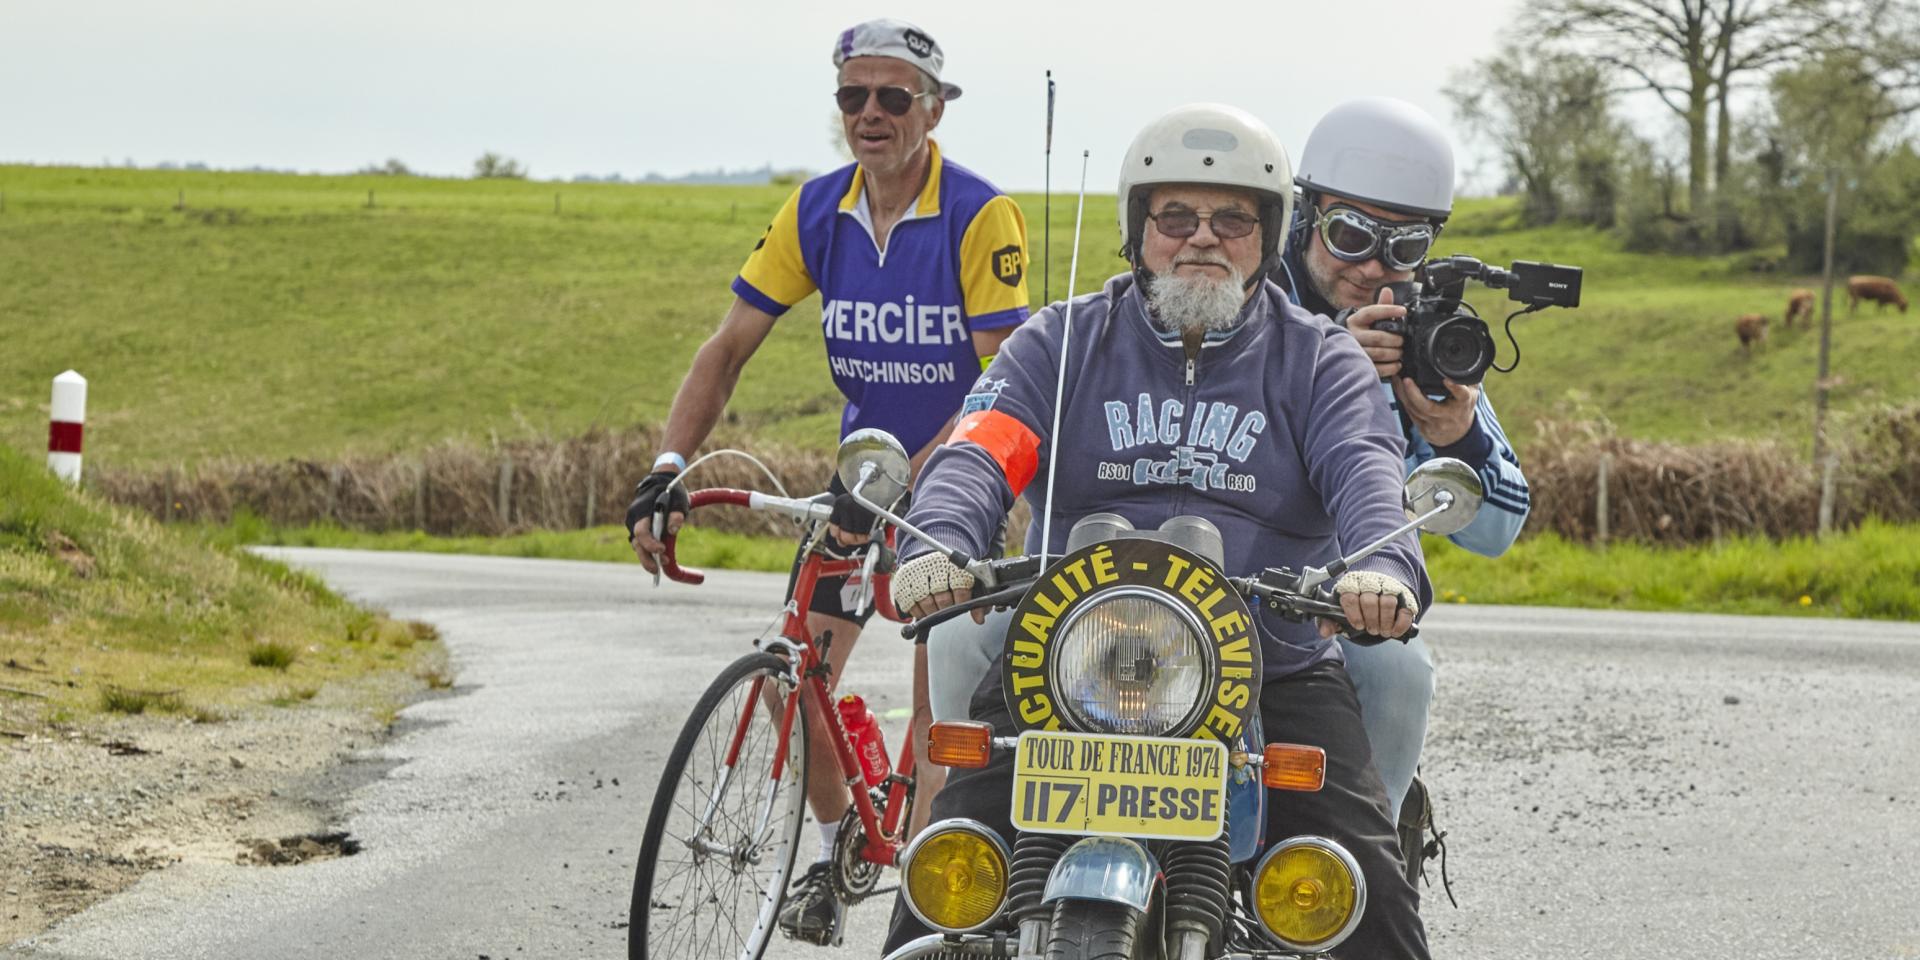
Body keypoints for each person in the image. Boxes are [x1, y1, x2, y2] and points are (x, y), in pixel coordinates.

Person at [885, 103, 1432, 959]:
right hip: (1063, 674)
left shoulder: (1321, 359)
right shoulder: (1056, 344)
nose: (1202, 239)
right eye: (1175, 217)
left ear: (1267, 235)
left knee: (1363, 895)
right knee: (949, 877)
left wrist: (1380, 568)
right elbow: (979, 453)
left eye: (1232, 219)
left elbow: (1367, 472)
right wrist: (936, 543)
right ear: (1139, 231)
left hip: (1269, 667)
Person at [624, 17, 1032, 945]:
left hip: (957, 489)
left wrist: (917, 486)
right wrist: (666, 468)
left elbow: (1002, 386)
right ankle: (829, 850)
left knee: (940, 722)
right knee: (790, 673)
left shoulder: (978, 213)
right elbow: (727, 349)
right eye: (855, 97)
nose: (872, 114)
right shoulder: (817, 209)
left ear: (933, 108)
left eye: (895, 98)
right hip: (861, 482)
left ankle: (926, 921)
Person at [1275, 97, 1532, 826]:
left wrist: (1454, 434)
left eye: (1407, 246)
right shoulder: (1255, 303)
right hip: (1219, 569)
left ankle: (1366, 856)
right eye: (1351, 234)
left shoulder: (1420, 339)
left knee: (1396, 669)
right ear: (1305, 217)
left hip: (1338, 599)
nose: (1375, 266)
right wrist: (1326, 371)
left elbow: (1497, 531)